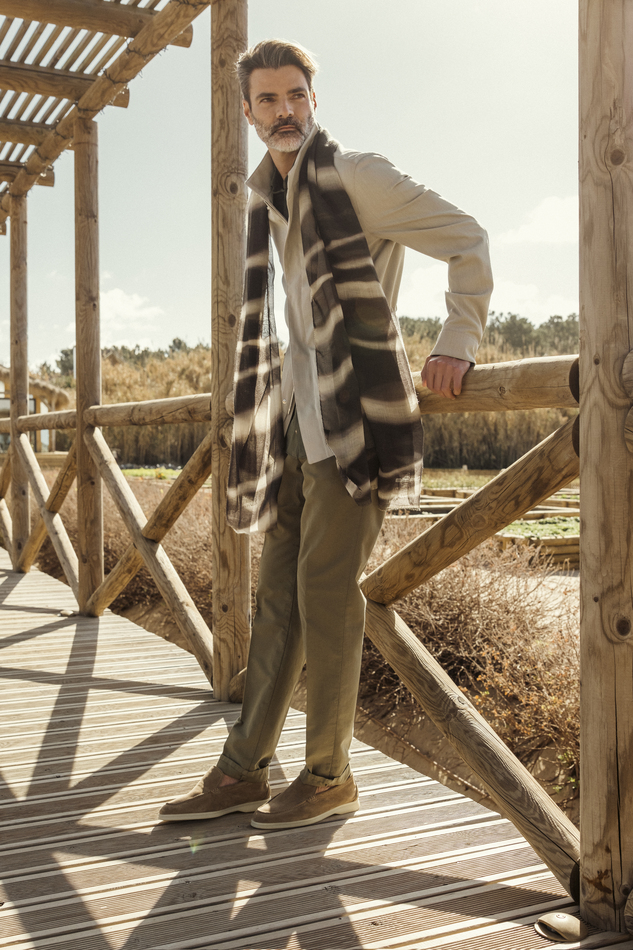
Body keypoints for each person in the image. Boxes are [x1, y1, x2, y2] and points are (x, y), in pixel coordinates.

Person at [159, 39, 492, 830]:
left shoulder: (356, 175)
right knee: (277, 599)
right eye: (268, 99)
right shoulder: (267, 199)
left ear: (314, 100)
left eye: (296, 96)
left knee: (327, 598)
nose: (285, 112)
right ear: (248, 111)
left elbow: (466, 236)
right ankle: (242, 769)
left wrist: (457, 338)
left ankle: (328, 775)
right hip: (294, 427)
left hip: (356, 424)